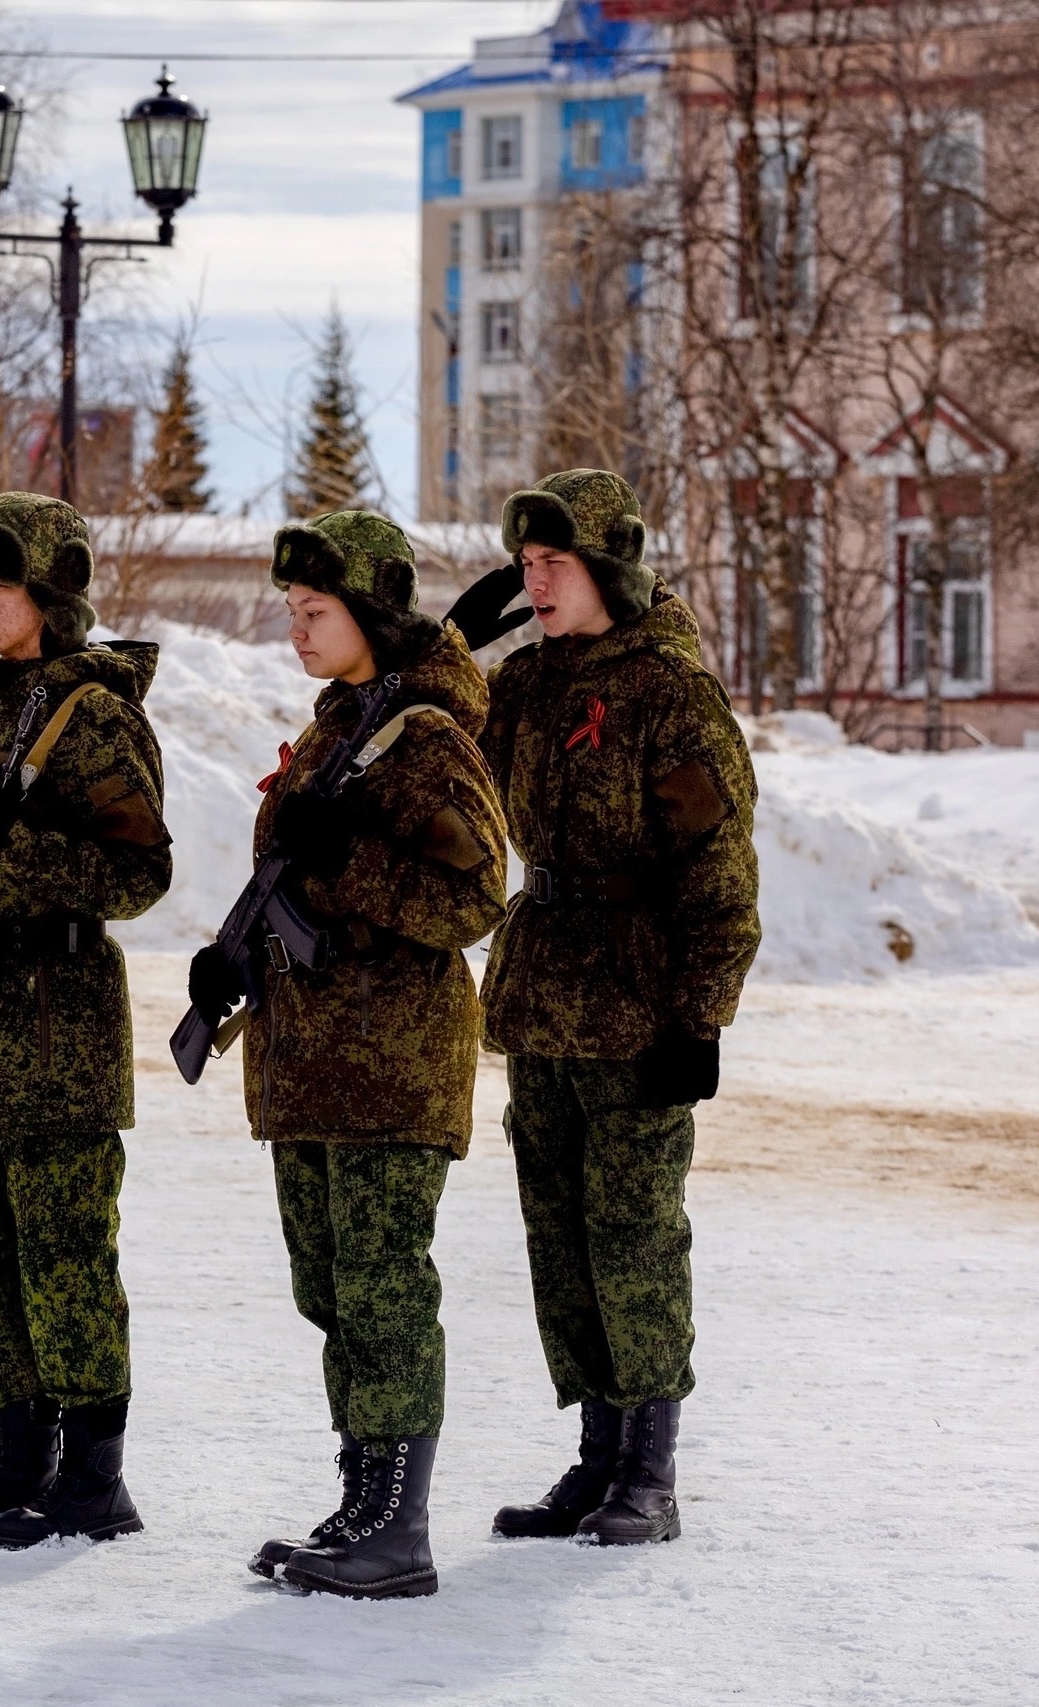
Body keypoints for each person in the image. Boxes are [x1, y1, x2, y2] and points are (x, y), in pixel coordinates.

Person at [187, 512, 509, 1600]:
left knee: (381, 1290)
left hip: (390, 1065)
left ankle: (396, 1530)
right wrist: (228, 961)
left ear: (369, 614)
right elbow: (294, 878)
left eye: (313, 610)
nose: (296, 627)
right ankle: (361, 1497)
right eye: (290, 609)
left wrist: (356, 867)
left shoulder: (426, 740)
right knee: (328, 1288)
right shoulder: (340, 727)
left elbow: (474, 899)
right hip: (311, 1061)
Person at [443, 469, 761, 1546]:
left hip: (635, 1000)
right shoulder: (526, 685)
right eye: (523, 565)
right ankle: (593, 1459)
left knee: (633, 1238)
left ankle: (649, 1473)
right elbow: (437, 771)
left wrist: (698, 1016)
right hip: (542, 997)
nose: (533, 583)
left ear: (608, 572)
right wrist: (450, 646)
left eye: (554, 565)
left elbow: (716, 869)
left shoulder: (672, 696)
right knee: (560, 1237)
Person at [0, 491, 173, 1549]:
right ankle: (19, 1464)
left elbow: (144, 871)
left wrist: (24, 853)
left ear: (50, 594)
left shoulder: (89, 714)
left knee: (63, 1256)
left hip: (56, 1028)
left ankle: (94, 1479)